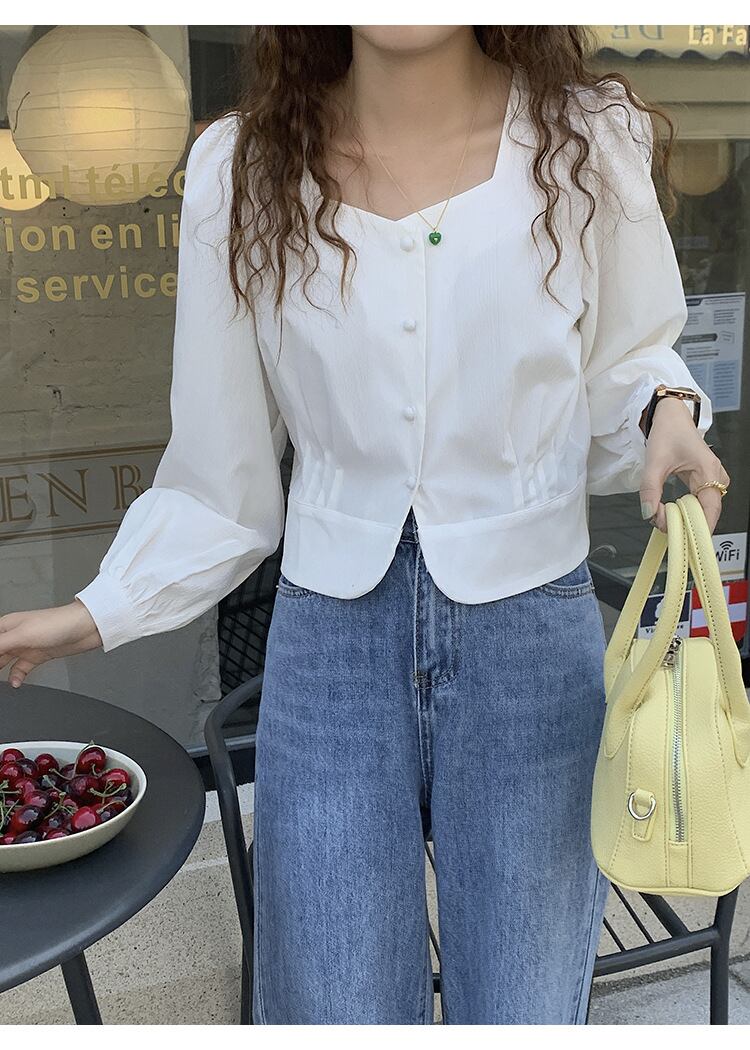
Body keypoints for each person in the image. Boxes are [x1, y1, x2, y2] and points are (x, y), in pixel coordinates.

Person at [0, 27, 729, 1024]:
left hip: (531, 637)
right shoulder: (241, 166)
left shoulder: (588, 139)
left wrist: (667, 410)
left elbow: (628, 362)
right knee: (332, 1004)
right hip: (330, 651)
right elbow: (221, 476)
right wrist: (99, 611)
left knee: (523, 1007)